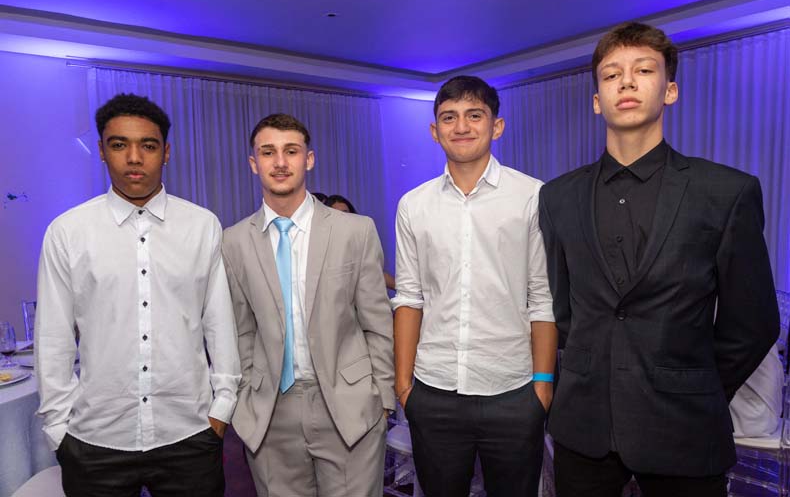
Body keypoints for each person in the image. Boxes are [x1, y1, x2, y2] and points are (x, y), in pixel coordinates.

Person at [538, 22, 780, 497]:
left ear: (670, 91)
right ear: (597, 100)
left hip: (684, 425)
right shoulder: (558, 197)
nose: (626, 82)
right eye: (611, 75)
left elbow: (752, 322)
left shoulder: (726, 192)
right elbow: (562, 308)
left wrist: (695, 385)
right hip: (584, 427)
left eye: (644, 70)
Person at [36, 93, 241, 496]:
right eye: (119, 144)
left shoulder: (202, 226)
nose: (134, 158)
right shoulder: (68, 232)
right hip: (96, 440)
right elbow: (53, 337)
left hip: (190, 433)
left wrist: (222, 406)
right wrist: (58, 428)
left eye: (148, 145)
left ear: (166, 152)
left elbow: (219, 323)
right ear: (101, 150)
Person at [393, 75, 556, 497]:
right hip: (434, 390)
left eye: (474, 115)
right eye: (449, 117)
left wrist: (542, 386)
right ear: (435, 131)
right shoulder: (414, 204)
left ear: (496, 126)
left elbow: (542, 298)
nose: (461, 126)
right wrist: (404, 386)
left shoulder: (532, 196)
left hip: (513, 390)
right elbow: (409, 298)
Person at [222, 113, 394, 496]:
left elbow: (377, 322)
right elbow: (241, 330)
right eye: (268, 152)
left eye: (291, 151)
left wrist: (382, 398)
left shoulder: (355, 231)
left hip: (349, 407)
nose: (280, 162)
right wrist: (244, 400)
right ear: (254, 163)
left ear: (309, 159)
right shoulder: (233, 241)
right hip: (270, 413)